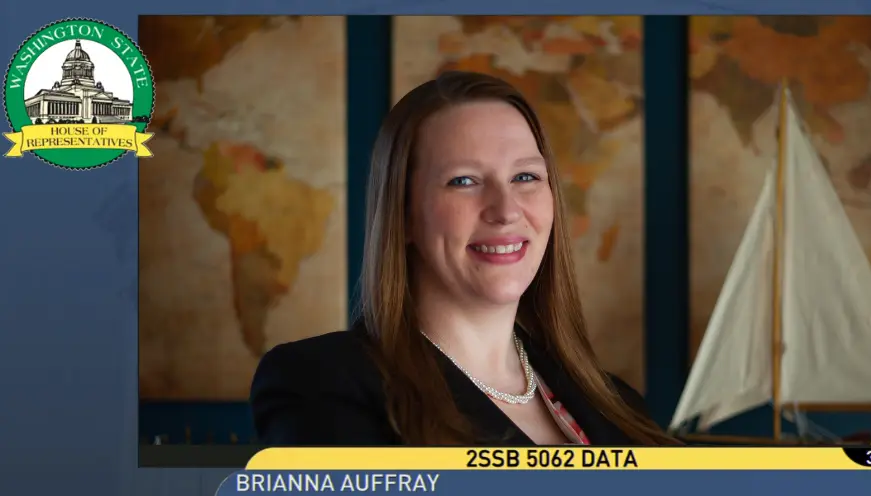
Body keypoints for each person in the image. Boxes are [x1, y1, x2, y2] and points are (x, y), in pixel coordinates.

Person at [250, 71, 680, 446]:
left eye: (525, 177)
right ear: (403, 217)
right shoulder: (322, 384)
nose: (506, 209)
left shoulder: (616, 403)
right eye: (464, 181)